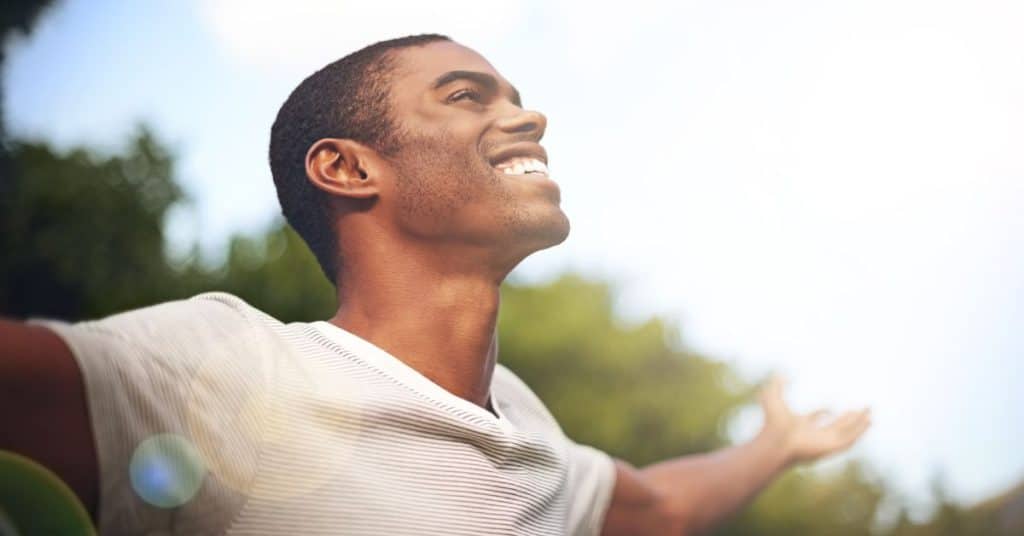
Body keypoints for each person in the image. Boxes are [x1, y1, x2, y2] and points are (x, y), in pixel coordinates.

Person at [0, 34, 871, 535]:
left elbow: (665, 509)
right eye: (466, 96)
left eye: (516, 97)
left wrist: (777, 447)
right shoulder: (231, 371)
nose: (529, 116)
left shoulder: (524, 423)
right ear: (346, 167)